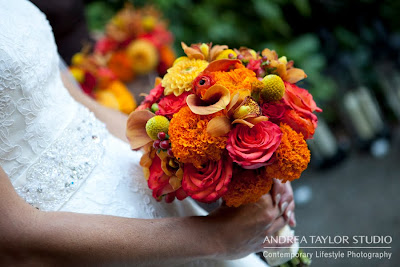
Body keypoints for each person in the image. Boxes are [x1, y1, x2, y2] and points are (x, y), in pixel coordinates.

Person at [0, 0, 295, 265]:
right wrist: (214, 238)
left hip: (138, 180)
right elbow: (15, 235)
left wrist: (225, 166)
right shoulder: (210, 236)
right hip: (79, 241)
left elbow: (79, 103)